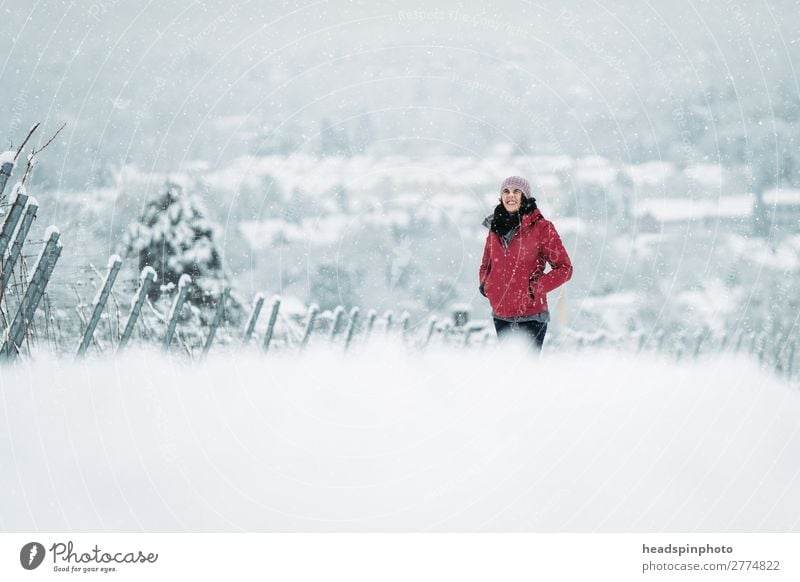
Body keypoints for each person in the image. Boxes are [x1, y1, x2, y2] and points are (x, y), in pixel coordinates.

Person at [478, 176, 573, 350]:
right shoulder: (495, 227)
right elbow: (486, 263)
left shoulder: (542, 228)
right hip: (501, 315)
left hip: (531, 316)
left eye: (516, 191)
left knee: (527, 372)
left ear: (525, 196)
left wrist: (535, 288)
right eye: (506, 191)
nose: (511, 196)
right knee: (508, 372)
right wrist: (487, 284)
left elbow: (565, 268)